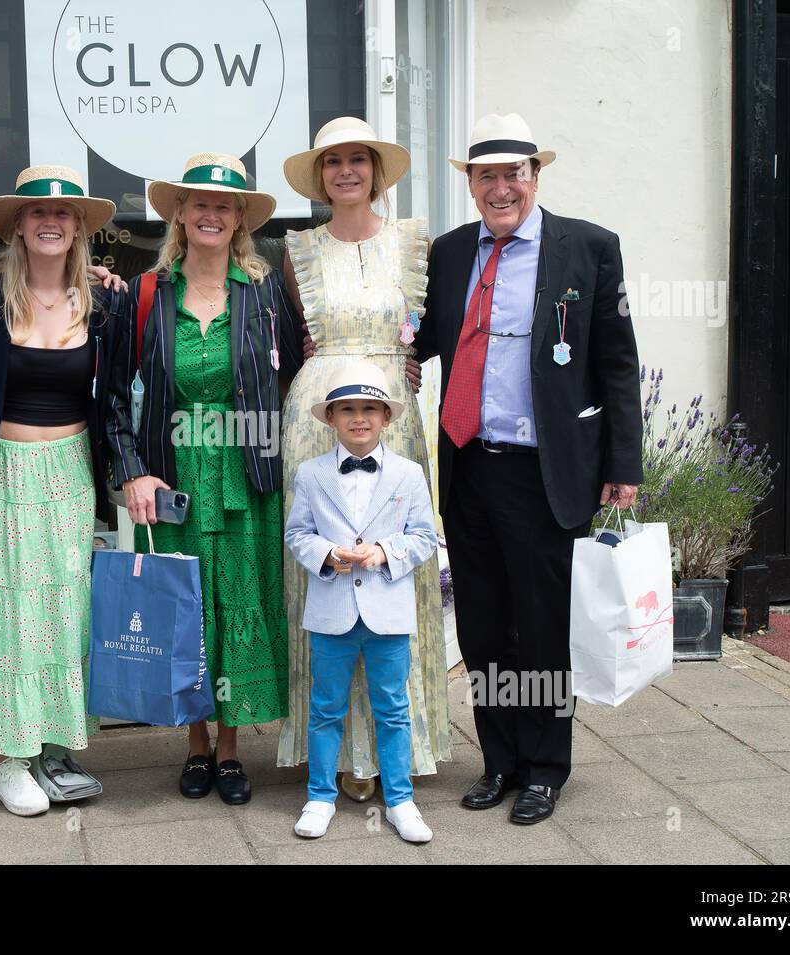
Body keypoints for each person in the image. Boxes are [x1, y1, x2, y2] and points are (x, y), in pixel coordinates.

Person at [413, 113, 642, 824]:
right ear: (472, 184)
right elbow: (413, 338)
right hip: (469, 466)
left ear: (535, 177)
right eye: (488, 175)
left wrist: (623, 464)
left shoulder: (588, 248)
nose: (502, 187)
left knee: (540, 626)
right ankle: (500, 759)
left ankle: (546, 766)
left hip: (546, 471)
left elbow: (616, 360)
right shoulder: (450, 254)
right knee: (483, 627)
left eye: (515, 173)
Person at [106, 152, 304, 805]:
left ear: (239, 217)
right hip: (177, 477)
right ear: (180, 215)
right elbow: (110, 396)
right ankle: (194, 746)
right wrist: (133, 472)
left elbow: (301, 373)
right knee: (183, 607)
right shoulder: (145, 294)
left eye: (224, 204)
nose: (211, 214)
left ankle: (230, 747)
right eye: (199, 203)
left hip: (249, 475)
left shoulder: (266, 291)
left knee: (238, 607)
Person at [0, 166, 120, 816]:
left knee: (62, 616)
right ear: (16, 223)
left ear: (78, 228)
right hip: (3, 474)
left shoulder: (104, 302)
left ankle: (49, 745)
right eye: (37, 211)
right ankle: (5, 760)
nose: (50, 221)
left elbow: (120, 396)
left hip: (69, 477)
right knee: (5, 617)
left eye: (64, 213)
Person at [276, 116, 449, 800]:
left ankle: (395, 747)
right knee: (323, 570)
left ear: (376, 171)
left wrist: (404, 366)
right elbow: (287, 337)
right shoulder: (296, 251)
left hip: (393, 418)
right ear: (319, 177)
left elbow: (439, 328)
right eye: (333, 162)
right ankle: (335, 754)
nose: (345, 170)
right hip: (315, 417)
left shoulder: (414, 242)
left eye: (358, 159)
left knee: (393, 566)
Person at [284, 362, 438, 843]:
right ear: (330, 418)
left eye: (370, 409)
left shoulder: (409, 474)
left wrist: (383, 552)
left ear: (386, 418)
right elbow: (297, 534)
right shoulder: (311, 474)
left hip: (387, 611)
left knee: (392, 707)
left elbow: (425, 538)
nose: (359, 418)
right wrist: (328, 554)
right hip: (331, 611)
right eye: (347, 409)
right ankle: (319, 796)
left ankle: (399, 799)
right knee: (326, 706)